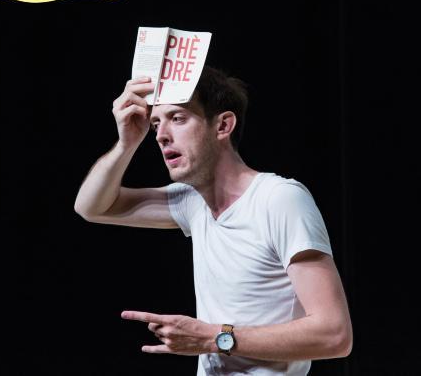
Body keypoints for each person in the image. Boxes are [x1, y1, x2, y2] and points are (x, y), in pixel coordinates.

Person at [74, 65, 353, 375]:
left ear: (223, 125)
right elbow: (91, 207)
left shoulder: (279, 199)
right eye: (155, 124)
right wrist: (127, 143)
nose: (162, 136)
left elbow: (334, 335)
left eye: (177, 118)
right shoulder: (192, 202)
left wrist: (214, 338)